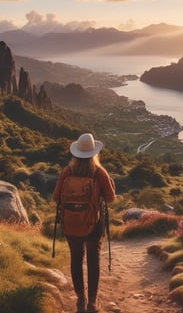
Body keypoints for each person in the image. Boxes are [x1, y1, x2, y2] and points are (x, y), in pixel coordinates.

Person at [53, 133, 116, 313]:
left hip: (71, 224)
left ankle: (80, 299)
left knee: (75, 259)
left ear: (76, 153)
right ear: (93, 153)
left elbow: (56, 197)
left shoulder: (67, 171)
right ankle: (92, 303)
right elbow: (110, 199)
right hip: (93, 224)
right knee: (93, 261)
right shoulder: (99, 172)